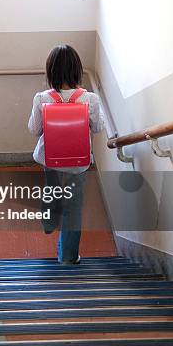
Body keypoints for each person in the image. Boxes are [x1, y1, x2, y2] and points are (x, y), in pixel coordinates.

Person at [28, 45, 104, 264]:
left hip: (50, 159)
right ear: (77, 70)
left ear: (50, 71)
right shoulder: (90, 99)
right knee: (73, 210)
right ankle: (68, 258)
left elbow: (34, 130)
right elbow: (97, 128)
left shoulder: (42, 98)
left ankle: (49, 222)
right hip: (78, 163)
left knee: (51, 190)